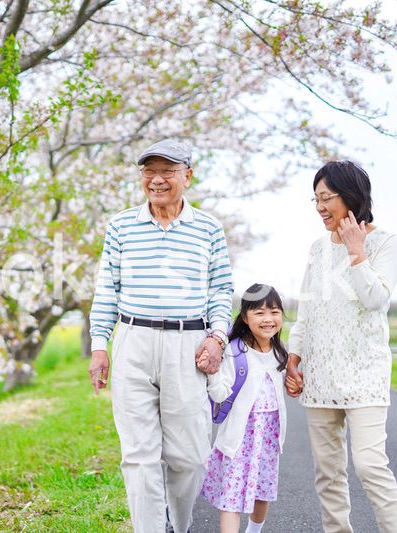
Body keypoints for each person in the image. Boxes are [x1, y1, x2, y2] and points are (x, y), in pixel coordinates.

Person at [88, 139, 234, 533]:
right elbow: (107, 290)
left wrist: (217, 338)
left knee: (189, 457)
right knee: (138, 455)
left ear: (188, 174)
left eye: (167, 171)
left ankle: (177, 525)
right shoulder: (121, 225)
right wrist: (99, 346)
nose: (157, 179)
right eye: (149, 171)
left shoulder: (208, 228)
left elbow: (221, 291)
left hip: (188, 345)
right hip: (133, 340)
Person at [285, 160, 397, 533]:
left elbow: (375, 299)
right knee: (328, 472)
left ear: (351, 196)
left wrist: (357, 251)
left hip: (365, 372)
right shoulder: (317, 249)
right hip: (320, 374)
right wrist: (294, 357)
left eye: (327, 198)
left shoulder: (384, 242)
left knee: (370, 464)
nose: (320, 207)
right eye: (316, 199)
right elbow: (306, 311)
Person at [200, 283, 288, 533]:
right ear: (245, 317)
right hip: (239, 439)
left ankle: (254, 530)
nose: (268, 319)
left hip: (269, 438)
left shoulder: (279, 352)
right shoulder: (234, 350)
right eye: (259, 312)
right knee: (232, 498)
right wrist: (213, 373)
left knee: (263, 492)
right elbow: (219, 394)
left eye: (274, 312)